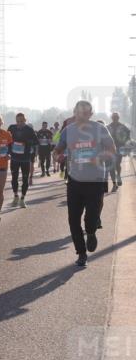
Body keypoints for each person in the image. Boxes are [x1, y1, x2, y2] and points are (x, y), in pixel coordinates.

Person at [54, 101, 116, 267]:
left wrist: (99, 157)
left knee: (91, 217)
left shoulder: (100, 129)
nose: (82, 115)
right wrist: (56, 154)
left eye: (85, 112)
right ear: (75, 113)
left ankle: (91, 232)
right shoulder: (68, 131)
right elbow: (58, 148)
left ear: (90, 113)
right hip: (74, 180)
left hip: (95, 180)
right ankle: (81, 254)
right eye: (79, 112)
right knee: (73, 219)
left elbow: (112, 149)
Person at [7, 112, 38, 208]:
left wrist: (26, 143)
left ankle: (22, 199)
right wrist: (8, 151)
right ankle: (16, 196)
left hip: (25, 159)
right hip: (14, 158)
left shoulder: (29, 129)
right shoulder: (12, 128)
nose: (19, 123)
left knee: (25, 179)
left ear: (25, 120)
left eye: (21, 121)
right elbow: (6, 140)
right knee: (14, 178)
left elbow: (36, 141)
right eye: (17, 121)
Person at [107, 112, 131, 190]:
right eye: (114, 117)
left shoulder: (122, 126)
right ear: (112, 118)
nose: (115, 119)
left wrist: (127, 145)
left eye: (116, 117)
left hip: (119, 148)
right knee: (111, 167)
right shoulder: (108, 127)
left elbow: (128, 134)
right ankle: (114, 184)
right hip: (110, 148)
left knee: (117, 164)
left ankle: (119, 176)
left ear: (118, 118)